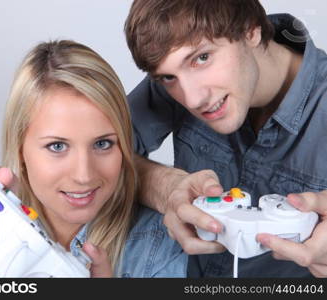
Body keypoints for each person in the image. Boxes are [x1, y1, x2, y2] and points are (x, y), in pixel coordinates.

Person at [0, 40, 188, 278]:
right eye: (57, 146)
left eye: (103, 144)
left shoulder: (161, 244)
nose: (84, 175)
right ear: (20, 147)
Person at [124, 0, 327, 277]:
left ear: (250, 31)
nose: (193, 99)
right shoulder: (180, 78)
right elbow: (93, 157)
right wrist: (167, 188)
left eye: (202, 58)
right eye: (168, 77)